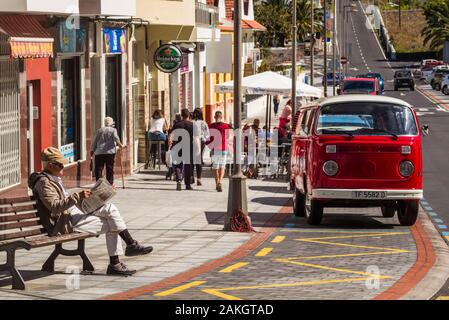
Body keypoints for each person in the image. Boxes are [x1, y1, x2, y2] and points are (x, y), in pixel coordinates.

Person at [28, 147, 153, 276]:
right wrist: (77, 196)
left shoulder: (53, 179)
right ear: (50, 165)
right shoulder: (44, 183)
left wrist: (87, 199)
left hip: (73, 214)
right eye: (60, 164)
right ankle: (122, 255)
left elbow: (63, 202)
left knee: (110, 209)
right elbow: (54, 206)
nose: (63, 167)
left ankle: (128, 248)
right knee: (112, 223)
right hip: (65, 222)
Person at [91, 117, 123, 187]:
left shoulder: (99, 130)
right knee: (109, 168)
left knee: (99, 168)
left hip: (99, 152)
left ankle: (99, 184)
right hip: (110, 152)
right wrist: (120, 145)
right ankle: (110, 183)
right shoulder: (113, 130)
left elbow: (95, 141)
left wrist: (92, 150)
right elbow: (116, 138)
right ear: (111, 123)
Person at [169, 108, 194, 191]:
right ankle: (187, 185)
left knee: (178, 163)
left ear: (182, 115)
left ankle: (179, 178)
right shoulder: (192, 125)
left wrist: (170, 142)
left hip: (178, 146)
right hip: (188, 147)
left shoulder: (177, 125)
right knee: (188, 166)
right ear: (189, 116)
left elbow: (171, 136)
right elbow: (196, 138)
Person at [207, 111, 232, 192]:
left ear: (214, 117)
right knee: (222, 166)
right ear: (221, 117)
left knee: (215, 167)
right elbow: (228, 136)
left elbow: (208, 138)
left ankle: (217, 182)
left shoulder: (210, 126)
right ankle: (220, 182)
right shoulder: (225, 126)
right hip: (223, 148)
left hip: (215, 149)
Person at [192, 108, 210, 186]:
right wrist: (204, 139)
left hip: (192, 141)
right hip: (201, 141)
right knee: (199, 159)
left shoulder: (191, 123)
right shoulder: (204, 123)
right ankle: (199, 178)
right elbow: (207, 135)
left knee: (191, 160)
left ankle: (191, 176)